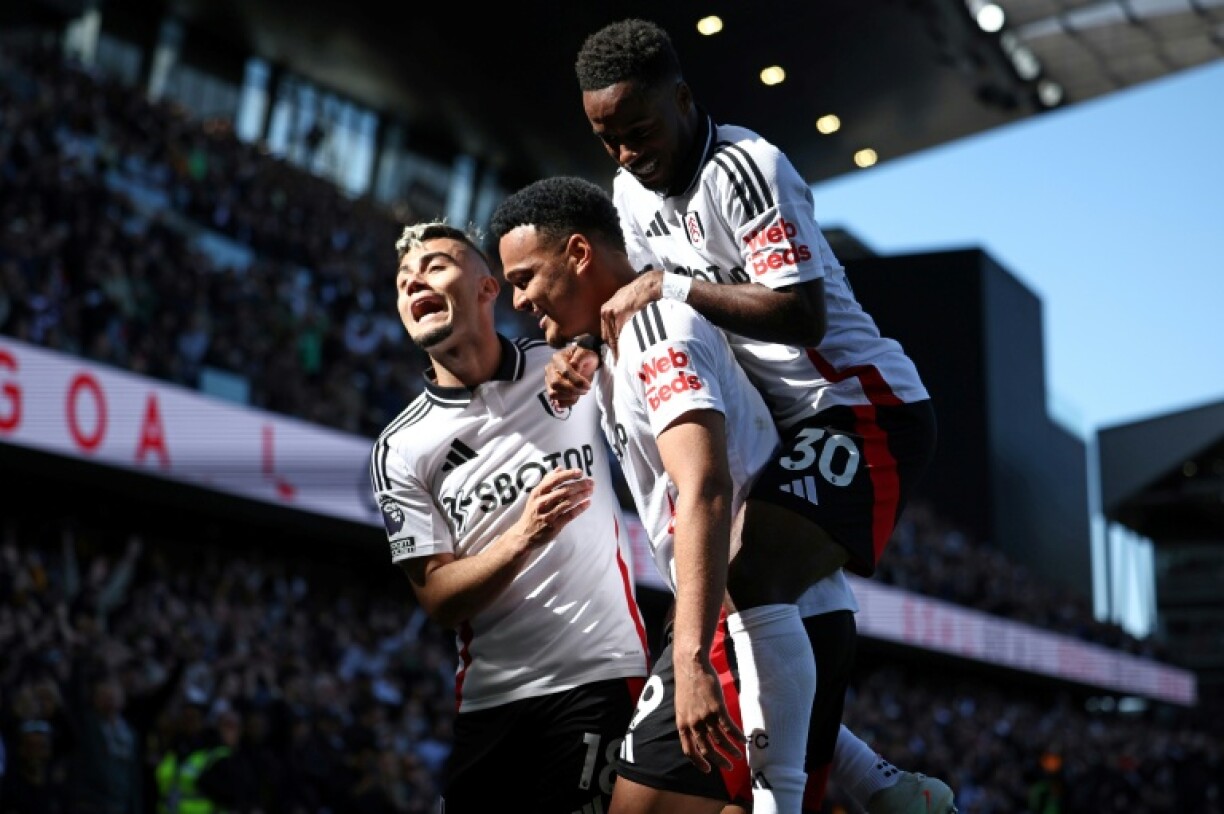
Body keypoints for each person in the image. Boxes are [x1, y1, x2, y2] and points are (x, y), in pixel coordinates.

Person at [564, 18, 954, 814]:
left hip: (858, 407)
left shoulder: (747, 167)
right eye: (607, 140)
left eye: (638, 132)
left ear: (683, 98)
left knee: (750, 579)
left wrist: (672, 285)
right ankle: (878, 787)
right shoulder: (630, 194)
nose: (627, 154)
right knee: (730, 609)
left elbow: (802, 316)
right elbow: (651, 314)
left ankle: (789, 801)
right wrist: (587, 344)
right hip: (781, 420)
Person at [491, 175, 858, 814]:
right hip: (747, 613)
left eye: (525, 277)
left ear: (579, 254)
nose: (518, 300)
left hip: (755, 618)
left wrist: (690, 658)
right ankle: (883, 783)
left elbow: (706, 486)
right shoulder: (615, 340)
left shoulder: (656, 326)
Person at [367, 221, 650, 813]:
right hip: (489, 701)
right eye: (402, 280)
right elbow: (440, 600)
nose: (415, 279)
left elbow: (642, 293)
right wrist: (525, 534)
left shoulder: (565, 362)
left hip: (598, 673)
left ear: (488, 288)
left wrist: (594, 350)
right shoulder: (400, 447)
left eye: (437, 265)